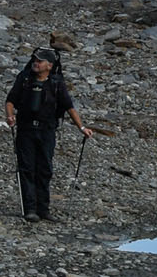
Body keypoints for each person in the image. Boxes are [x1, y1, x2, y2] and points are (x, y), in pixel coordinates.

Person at [5, 47, 92, 221]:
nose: (36, 63)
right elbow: (10, 100)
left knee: (45, 169)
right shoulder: (24, 79)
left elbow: (69, 106)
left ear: (50, 65)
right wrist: (9, 116)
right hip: (26, 130)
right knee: (27, 168)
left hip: (47, 131)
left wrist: (82, 128)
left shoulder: (56, 83)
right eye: (35, 60)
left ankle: (43, 210)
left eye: (40, 61)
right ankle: (30, 209)